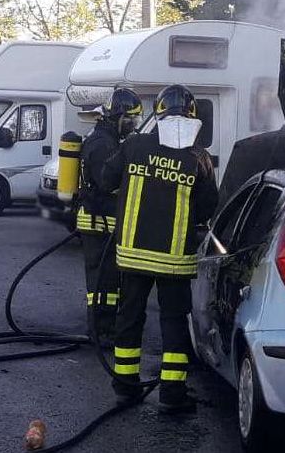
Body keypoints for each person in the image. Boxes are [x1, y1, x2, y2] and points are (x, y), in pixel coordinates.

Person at [103, 84, 219, 412]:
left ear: (158, 112)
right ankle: (172, 394)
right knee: (173, 323)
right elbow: (210, 205)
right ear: (193, 115)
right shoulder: (199, 157)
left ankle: (125, 386)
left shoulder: (135, 144)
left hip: (133, 255)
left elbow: (105, 178)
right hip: (174, 262)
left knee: (129, 317)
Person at [74, 86, 142, 345]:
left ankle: (102, 326)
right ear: (118, 116)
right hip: (99, 222)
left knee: (104, 280)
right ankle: (102, 330)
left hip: (99, 220)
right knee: (103, 282)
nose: (133, 124)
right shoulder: (104, 144)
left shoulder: (105, 138)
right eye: (131, 119)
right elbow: (106, 183)